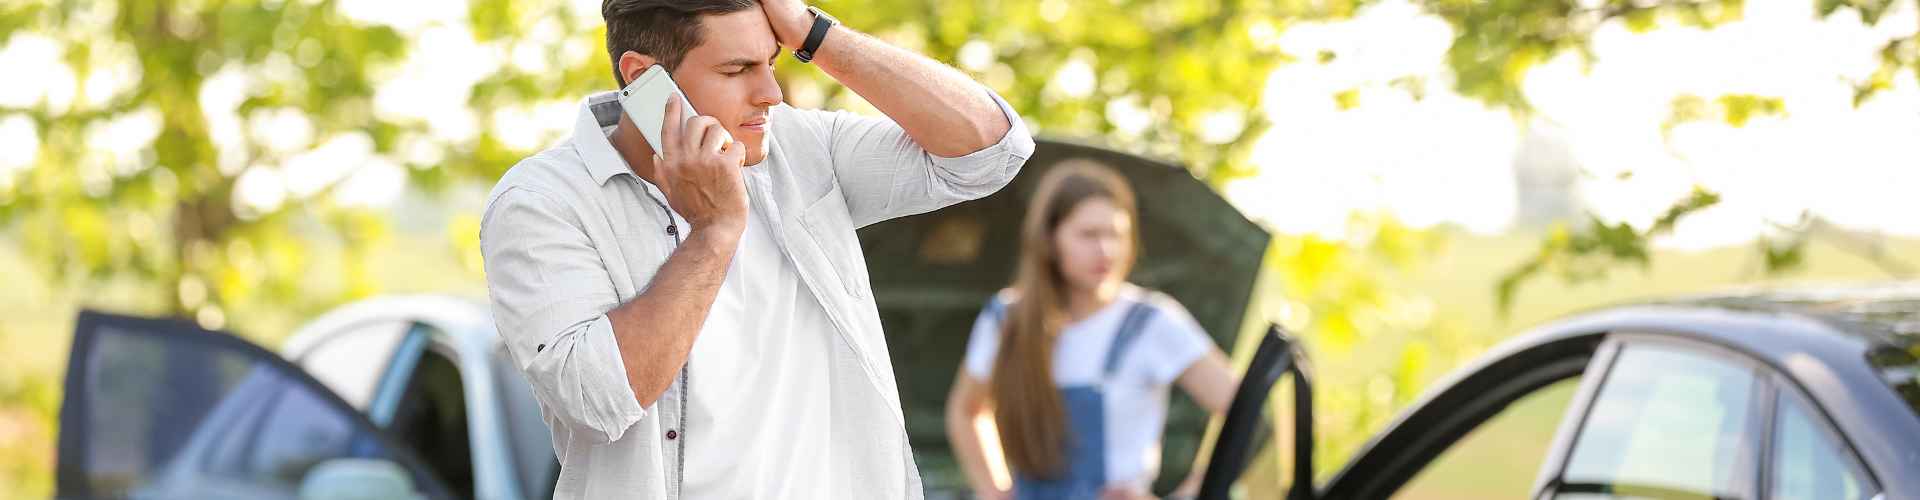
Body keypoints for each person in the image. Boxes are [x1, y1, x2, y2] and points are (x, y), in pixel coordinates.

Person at [478, 0, 1035, 497]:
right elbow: (595, 402)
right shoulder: (540, 203)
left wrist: (813, 33)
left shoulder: (801, 146)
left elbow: (993, 151)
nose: (771, 91)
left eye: (773, 61)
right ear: (645, 78)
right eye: (737, 69)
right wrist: (715, 233)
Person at [944, 161, 1238, 500]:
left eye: (1117, 234)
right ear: (1050, 240)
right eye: (1089, 235)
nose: (1107, 251)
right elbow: (967, 410)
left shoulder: (1152, 322)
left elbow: (1247, 418)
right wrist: (993, 491)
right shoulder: (1007, 319)